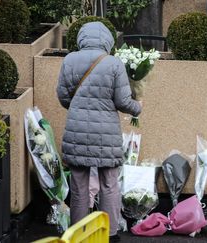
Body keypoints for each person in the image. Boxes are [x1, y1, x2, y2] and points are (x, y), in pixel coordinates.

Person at [57, 21, 141, 242]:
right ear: (107, 40)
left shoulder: (69, 60)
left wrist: (79, 110)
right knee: (109, 184)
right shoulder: (113, 63)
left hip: (76, 130)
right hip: (107, 134)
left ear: (82, 38)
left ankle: (78, 234)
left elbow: (63, 96)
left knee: (79, 186)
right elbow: (123, 101)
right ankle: (110, 233)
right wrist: (137, 108)